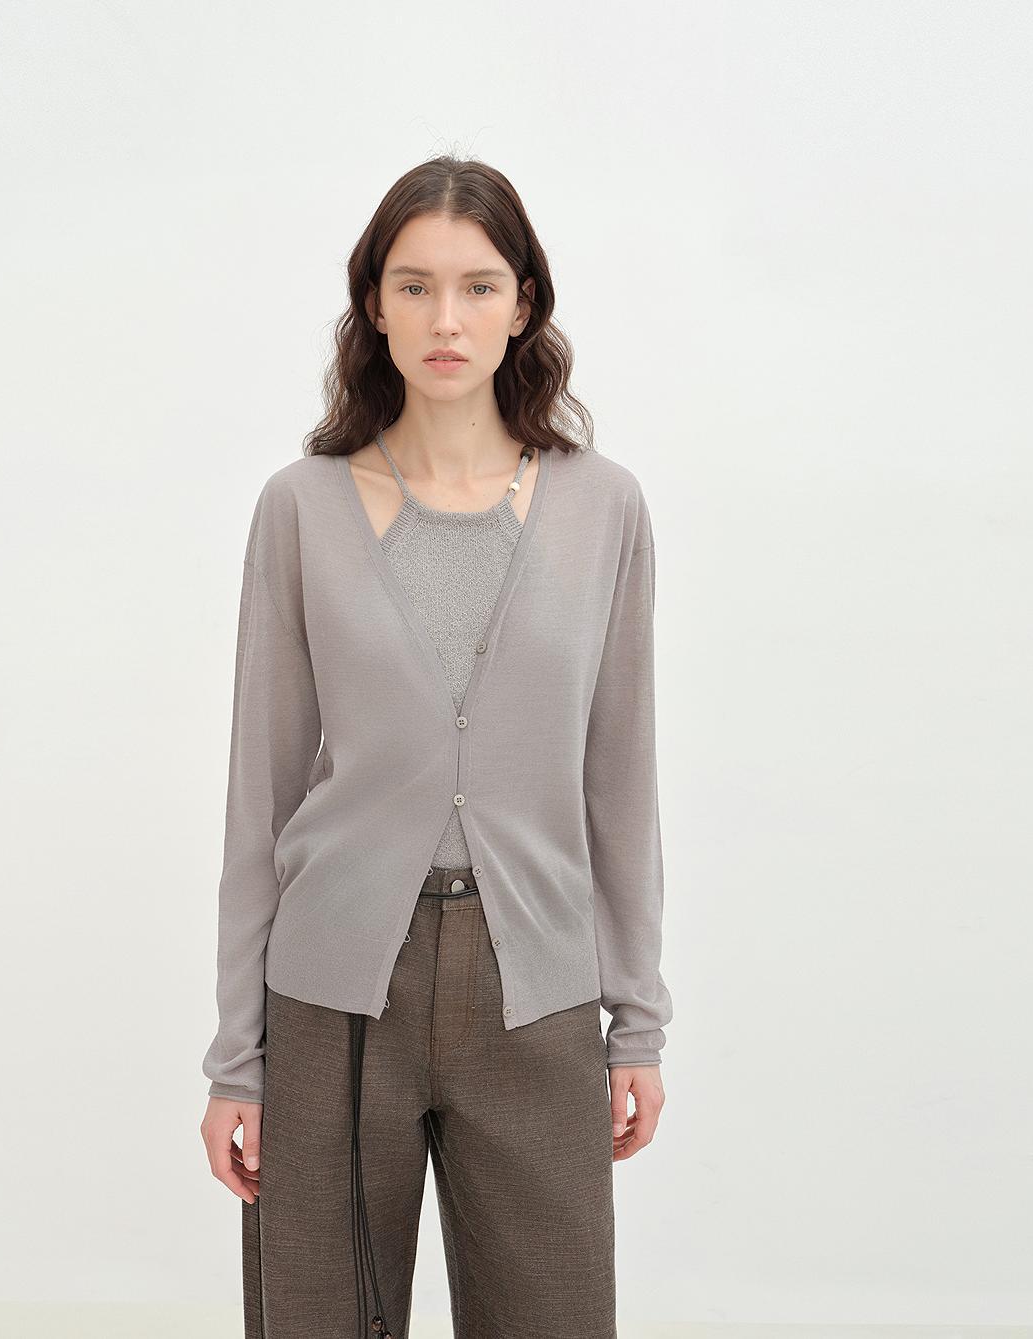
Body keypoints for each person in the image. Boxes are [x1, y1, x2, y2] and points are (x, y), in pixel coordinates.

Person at [199, 155, 672, 1339]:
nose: (445, 319)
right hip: (333, 994)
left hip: (537, 990)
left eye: (476, 286)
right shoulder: (300, 507)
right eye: (413, 286)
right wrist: (236, 1062)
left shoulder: (603, 506)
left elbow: (620, 782)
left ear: (523, 304)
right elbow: (260, 796)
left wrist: (638, 1021)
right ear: (373, 304)